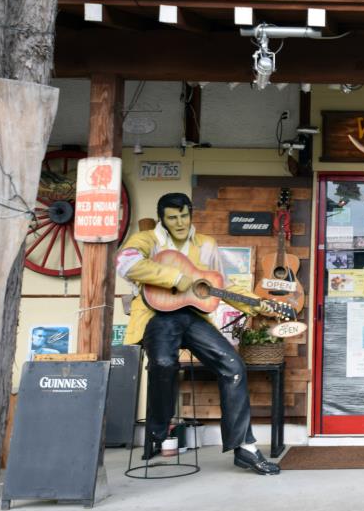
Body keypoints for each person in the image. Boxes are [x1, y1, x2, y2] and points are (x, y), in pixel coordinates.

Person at [116, 192, 280, 475]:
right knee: (163, 363)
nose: (180, 222)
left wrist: (256, 304)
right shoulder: (148, 240)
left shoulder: (206, 245)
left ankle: (245, 447)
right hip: (156, 316)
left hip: (192, 316)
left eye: (184, 215)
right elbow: (125, 263)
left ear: (191, 214)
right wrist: (175, 278)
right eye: (172, 217)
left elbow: (220, 286)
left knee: (233, 366)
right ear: (162, 219)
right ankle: (158, 430)